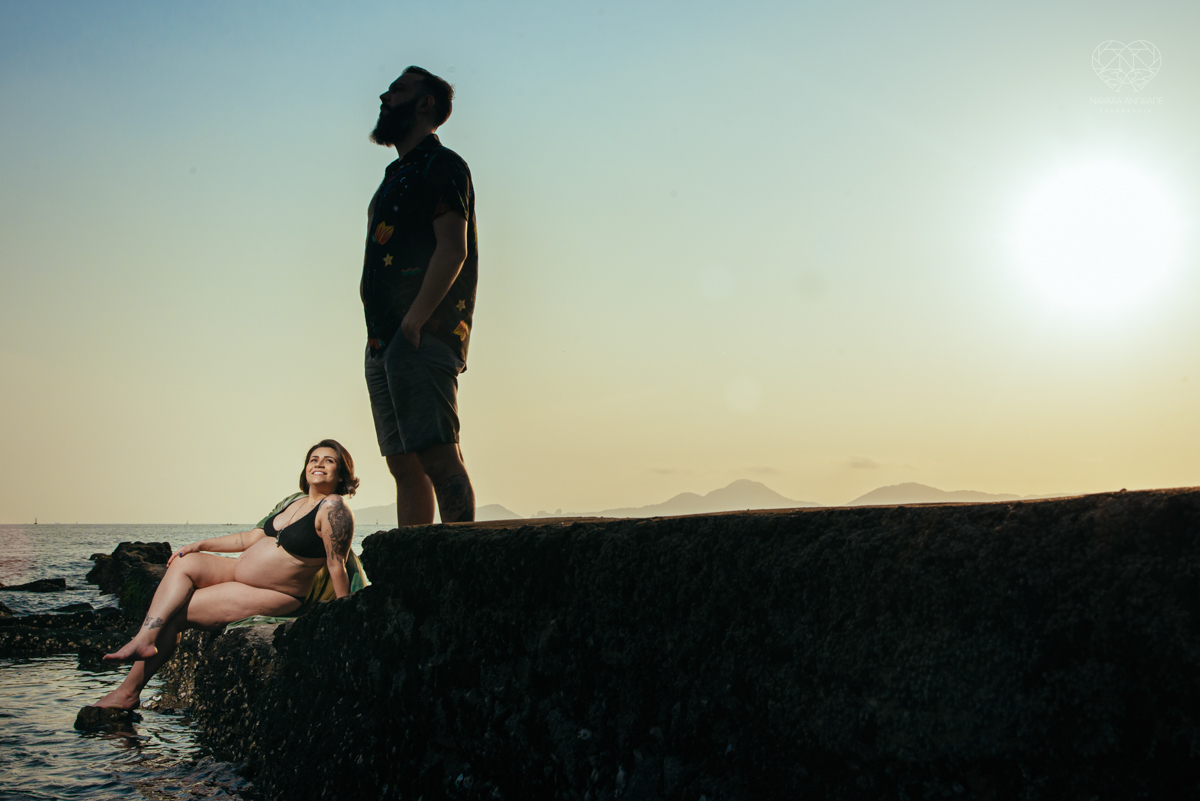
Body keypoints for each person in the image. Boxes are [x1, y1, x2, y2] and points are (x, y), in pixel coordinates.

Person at [92, 440, 360, 710]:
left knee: (175, 615)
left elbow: (336, 565)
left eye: (329, 460)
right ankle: (144, 639)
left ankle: (128, 692)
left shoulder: (334, 509)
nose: (319, 464)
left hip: (277, 592)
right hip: (239, 573)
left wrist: (342, 617)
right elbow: (249, 537)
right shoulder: (294, 501)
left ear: (341, 474)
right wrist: (201, 544)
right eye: (313, 459)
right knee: (185, 563)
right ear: (305, 468)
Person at [362, 66, 478, 526]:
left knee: (438, 456)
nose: (384, 95)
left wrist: (414, 322)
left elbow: (454, 246)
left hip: (422, 333)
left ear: (425, 104)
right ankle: (413, 582)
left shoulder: (442, 164)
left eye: (398, 90)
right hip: (383, 339)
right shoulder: (394, 176)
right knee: (403, 466)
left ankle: (461, 572)